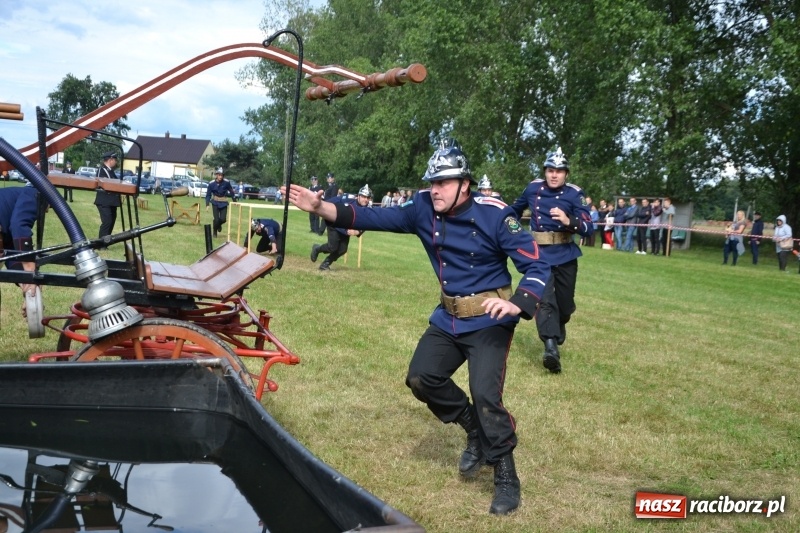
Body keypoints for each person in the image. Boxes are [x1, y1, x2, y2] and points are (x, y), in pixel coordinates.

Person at [284, 139, 549, 515]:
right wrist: (321, 207)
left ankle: (506, 474)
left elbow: (538, 265)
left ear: (465, 184)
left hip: (490, 319)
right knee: (421, 378)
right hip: (449, 316)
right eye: (431, 182)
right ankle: (474, 429)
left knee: (486, 395)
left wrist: (516, 303)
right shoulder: (423, 207)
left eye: (442, 183)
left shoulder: (495, 215)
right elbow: (370, 217)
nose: (434, 189)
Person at [510, 147, 592, 374]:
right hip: (540, 257)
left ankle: (561, 322)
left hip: (565, 255)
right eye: (550, 170)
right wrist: (509, 231)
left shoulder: (575, 194)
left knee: (564, 306)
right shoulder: (533, 189)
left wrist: (568, 220)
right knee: (545, 302)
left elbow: (588, 227)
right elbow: (512, 212)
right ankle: (550, 348)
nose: (554, 175)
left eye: (559, 171)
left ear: (566, 174)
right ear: (545, 171)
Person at [310, 184, 372, 271]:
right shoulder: (348, 198)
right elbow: (331, 201)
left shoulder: (368, 209)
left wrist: (358, 232)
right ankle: (317, 248)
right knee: (332, 247)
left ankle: (325, 264)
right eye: (364, 197)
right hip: (334, 224)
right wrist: (321, 207)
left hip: (346, 227)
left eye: (368, 197)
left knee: (342, 250)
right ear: (358, 196)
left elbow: (368, 223)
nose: (366, 200)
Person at [0, 186, 39, 311]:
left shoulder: (7, 208)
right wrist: (30, 273)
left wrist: (27, 287)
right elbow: (19, 225)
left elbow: (12, 256)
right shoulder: (34, 193)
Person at [94, 151, 121, 242]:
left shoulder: (111, 171)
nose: (116, 162)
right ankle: (101, 243)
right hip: (104, 200)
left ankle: (106, 241)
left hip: (112, 201)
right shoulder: (102, 170)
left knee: (112, 221)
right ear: (110, 160)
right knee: (107, 221)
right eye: (115, 160)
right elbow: (101, 183)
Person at [205, 167, 235, 238]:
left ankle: (218, 224)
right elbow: (208, 194)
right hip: (215, 202)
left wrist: (234, 200)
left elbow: (231, 191)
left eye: (222, 175)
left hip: (223, 202)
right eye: (219, 175)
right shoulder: (211, 184)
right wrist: (207, 204)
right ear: (216, 175)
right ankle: (214, 232)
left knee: (223, 219)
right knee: (216, 219)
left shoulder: (227, 182)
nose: (220, 177)